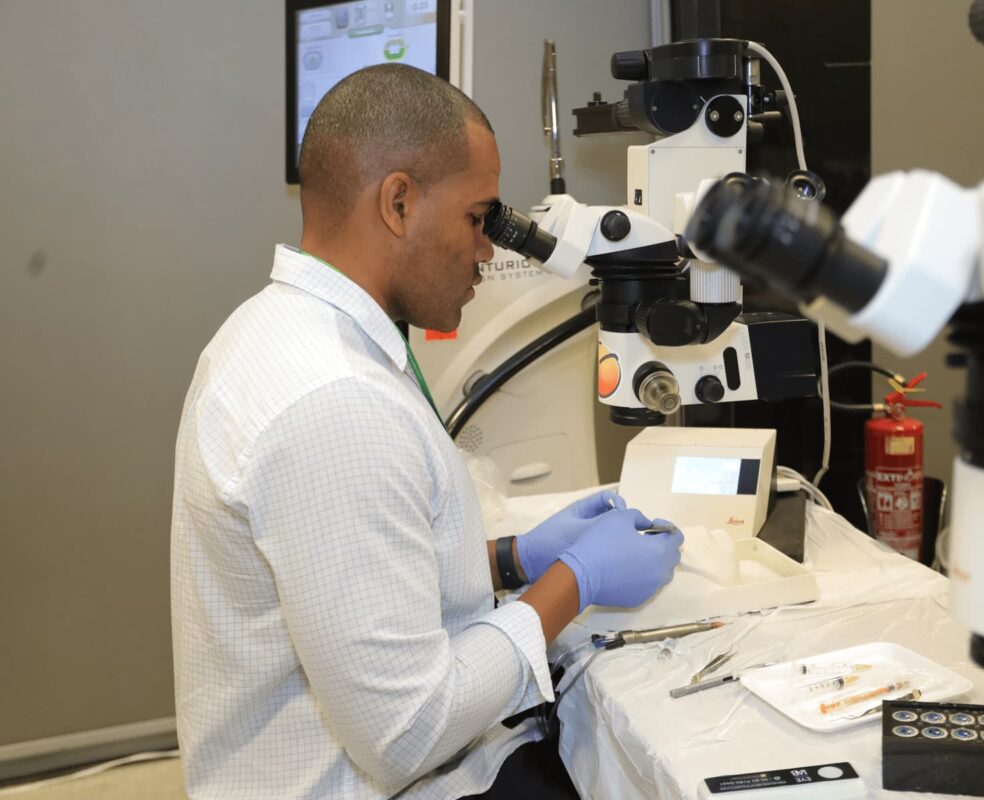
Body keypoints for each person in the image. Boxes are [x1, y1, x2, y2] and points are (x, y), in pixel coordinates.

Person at [170, 64, 684, 800]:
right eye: (477, 219)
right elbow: (407, 732)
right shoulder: (338, 404)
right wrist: (575, 582)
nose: (488, 251)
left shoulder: (271, 330)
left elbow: (353, 584)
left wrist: (510, 559)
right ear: (399, 202)